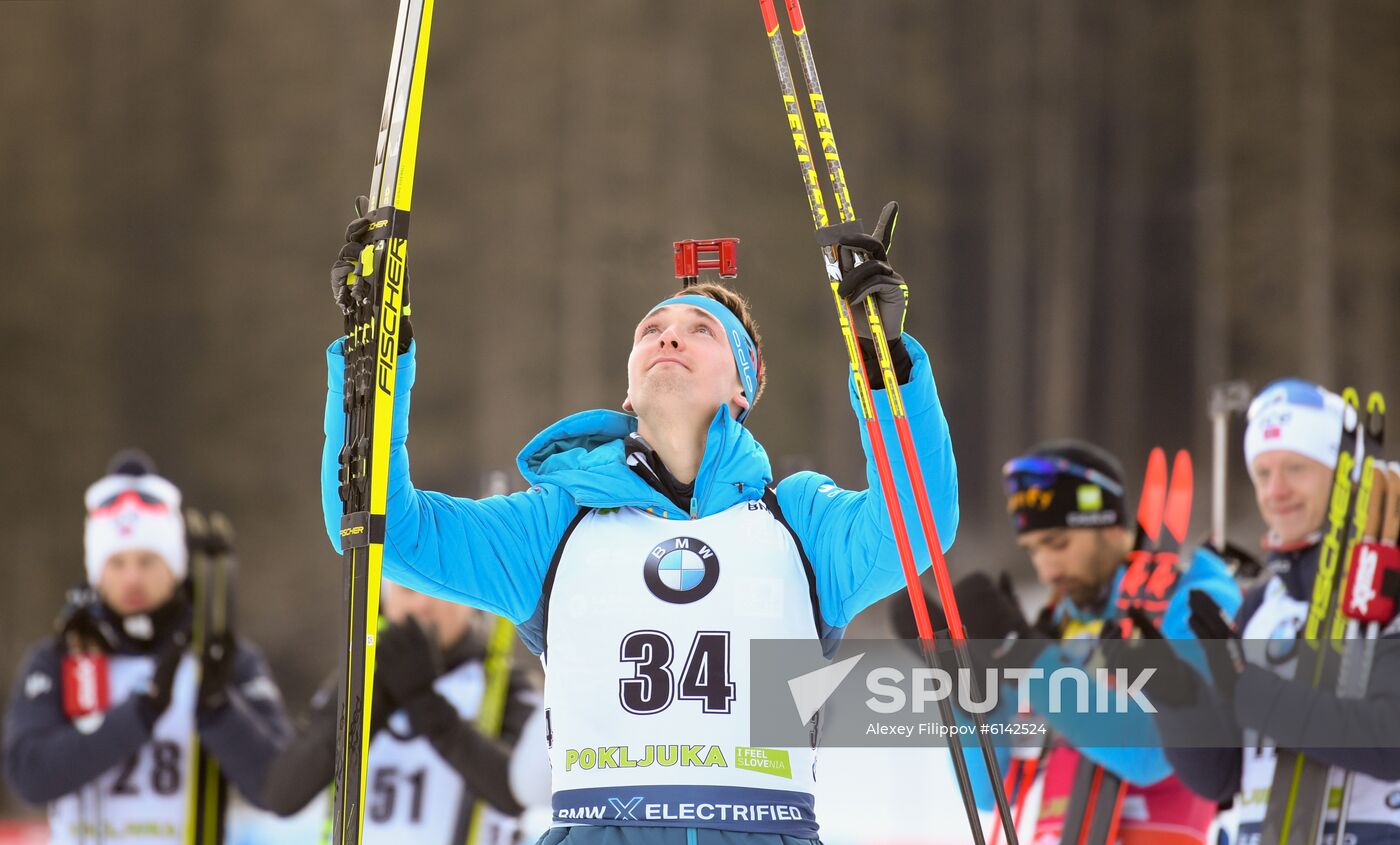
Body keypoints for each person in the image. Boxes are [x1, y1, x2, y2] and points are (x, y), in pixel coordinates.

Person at [319, 199, 958, 843]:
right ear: (628, 388)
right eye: (651, 330)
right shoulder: (556, 524)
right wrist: (373, 360)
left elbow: (917, 526)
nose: (669, 336)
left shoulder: (798, 520)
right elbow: (386, 532)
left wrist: (885, 364)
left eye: (701, 330)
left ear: (745, 386)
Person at [899, 439, 1241, 844]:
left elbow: (1152, 752)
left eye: (1059, 544)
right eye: (1033, 551)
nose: (1046, 570)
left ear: (1110, 525)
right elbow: (992, 792)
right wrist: (968, 698)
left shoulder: (1195, 600)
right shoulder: (1061, 624)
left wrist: (1028, 659)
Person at [1154, 379, 1400, 844]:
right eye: (1263, 473)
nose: (1276, 490)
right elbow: (1221, 778)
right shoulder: (1264, 603)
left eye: (1296, 468)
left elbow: (1388, 741)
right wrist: (1174, 694)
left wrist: (1245, 686)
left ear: (1344, 473)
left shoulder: (1387, 583)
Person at [2, 451, 289, 844]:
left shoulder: (221, 658)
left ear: (175, 566)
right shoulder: (58, 659)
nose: (133, 578)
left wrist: (219, 709)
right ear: (96, 570)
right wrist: (140, 713)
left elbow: (281, 788)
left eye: (148, 560)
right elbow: (29, 776)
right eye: (117, 563)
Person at [258, 580, 541, 845]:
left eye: (438, 591)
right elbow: (284, 794)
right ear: (385, 599)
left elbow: (519, 792)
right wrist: (376, 695)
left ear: (469, 602)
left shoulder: (507, 687)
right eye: (407, 590)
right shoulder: (357, 681)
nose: (422, 605)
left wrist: (426, 704)